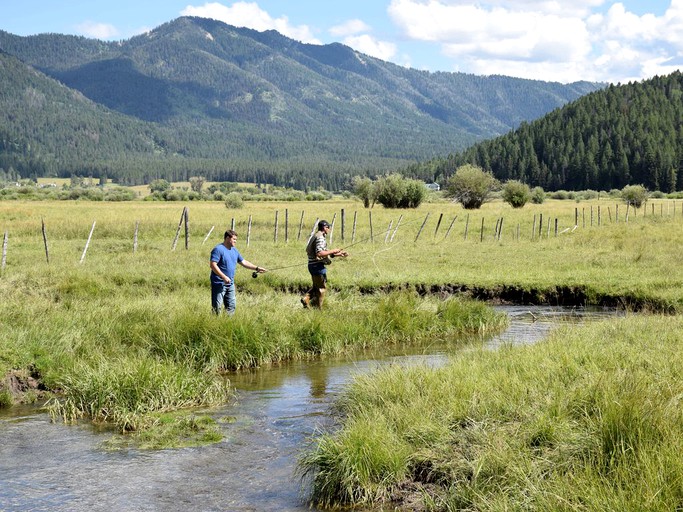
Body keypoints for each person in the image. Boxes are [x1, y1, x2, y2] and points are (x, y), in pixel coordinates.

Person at [210, 230, 266, 314]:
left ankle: (227, 323)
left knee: (231, 306)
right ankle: (215, 323)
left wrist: (257, 268)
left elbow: (243, 262)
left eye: (236, 240)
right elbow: (213, 265)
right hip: (219, 283)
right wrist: (223, 277)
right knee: (217, 308)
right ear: (227, 238)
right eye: (234, 239)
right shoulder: (218, 249)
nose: (235, 241)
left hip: (230, 283)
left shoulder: (234, 250)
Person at [301, 220, 347, 309]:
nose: (329, 230)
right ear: (325, 228)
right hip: (317, 266)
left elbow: (323, 252)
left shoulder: (316, 235)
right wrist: (333, 250)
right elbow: (320, 253)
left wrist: (338, 254)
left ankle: (306, 299)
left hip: (312, 265)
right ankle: (319, 310)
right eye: (328, 228)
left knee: (316, 286)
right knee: (322, 289)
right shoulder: (320, 237)